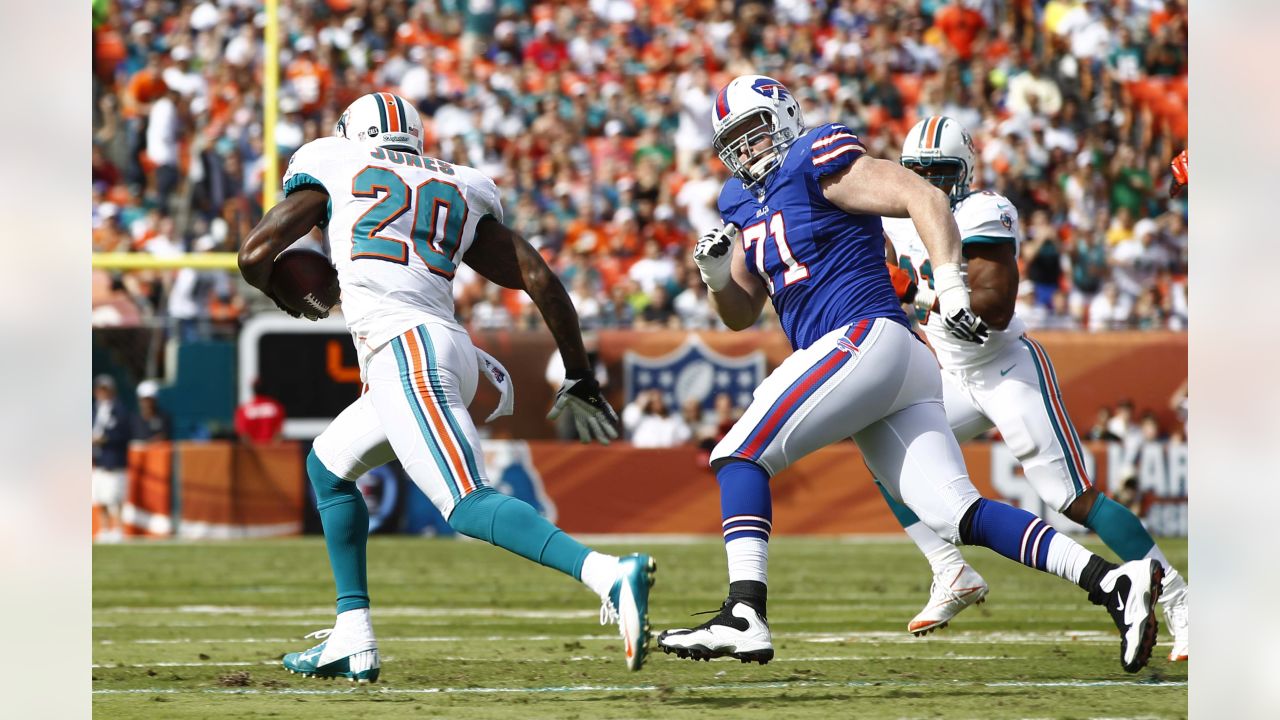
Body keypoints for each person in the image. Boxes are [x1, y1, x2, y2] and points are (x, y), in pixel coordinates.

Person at [655, 76, 1162, 674]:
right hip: (892, 366)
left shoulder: (815, 155)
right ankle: (1112, 584)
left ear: (785, 118)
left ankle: (744, 612)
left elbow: (925, 197)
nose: (746, 150)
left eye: (754, 131)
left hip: (863, 334)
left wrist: (950, 289)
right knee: (959, 513)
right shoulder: (739, 201)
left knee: (739, 453)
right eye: (733, 142)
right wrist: (717, 276)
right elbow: (740, 313)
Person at [238, 92, 656, 682]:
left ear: (350, 134)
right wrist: (579, 373)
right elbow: (538, 276)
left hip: (406, 353)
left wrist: (287, 294)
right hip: (447, 351)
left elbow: (255, 253)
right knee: (329, 466)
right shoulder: (462, 183)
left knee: (466, 503)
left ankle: (606, 573)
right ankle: (352, 636)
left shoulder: (332, 160)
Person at [879, 115, 1189, 662]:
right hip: (951, 376)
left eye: (939, 172)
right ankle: (950, 571)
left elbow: (994, 310)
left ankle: (1182, 603)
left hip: (1004, 369)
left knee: (1071, 498)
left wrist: (918, 295)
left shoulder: (982, 211)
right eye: (917, 172)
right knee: (886, 451)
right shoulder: (893, 216)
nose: (927, 184)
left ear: (965, 173)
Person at [92, 374, 133, 542]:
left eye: (105, 390)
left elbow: (124, 434)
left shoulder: (120, 411)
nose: (102, 393)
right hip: (98, 461)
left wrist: (105, 438)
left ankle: (118, 529)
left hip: (114, 460)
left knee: (115, 498)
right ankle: (104, 529)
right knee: (100, 498)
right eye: (100, 390)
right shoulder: (93, 410)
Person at [233, 379, 286, 444]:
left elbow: (243, 435)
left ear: (253, 390)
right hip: (270, 450)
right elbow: (278, 434)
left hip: (252, 452)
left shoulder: (243, 410)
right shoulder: (277, 407)